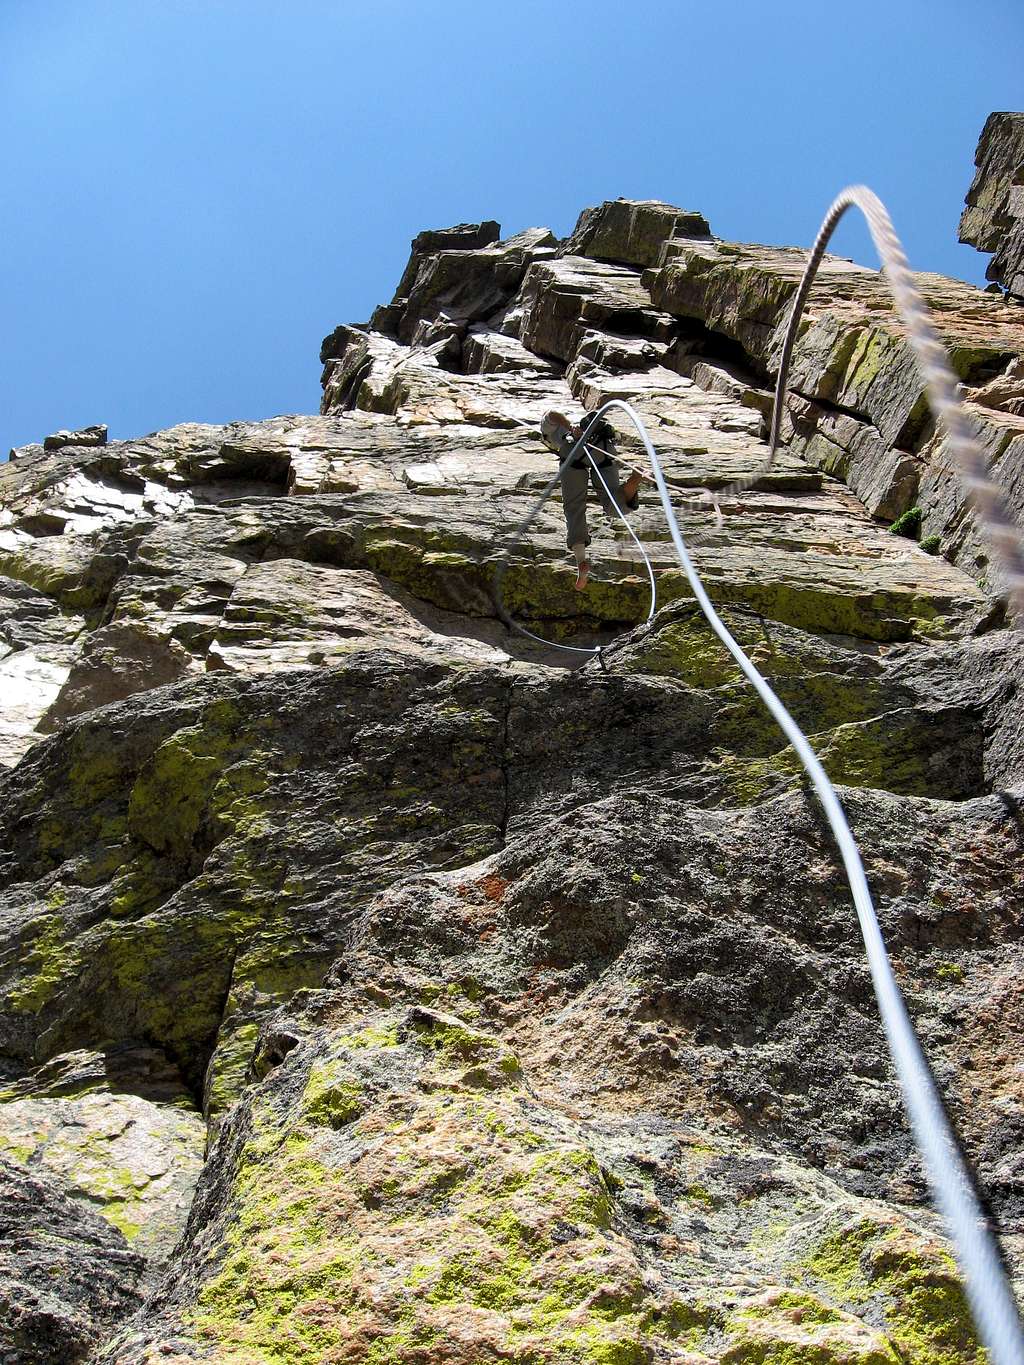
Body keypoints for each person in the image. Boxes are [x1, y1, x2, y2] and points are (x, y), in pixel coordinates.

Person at [540, 409, 644, 590]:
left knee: (574, 507)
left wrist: (570, 428)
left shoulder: (551, 433)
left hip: (574, 453)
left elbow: (551, 414)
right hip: (603, 449)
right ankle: (635, 480)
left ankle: (581, 561)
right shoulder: (595, 432)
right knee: (613, 506)